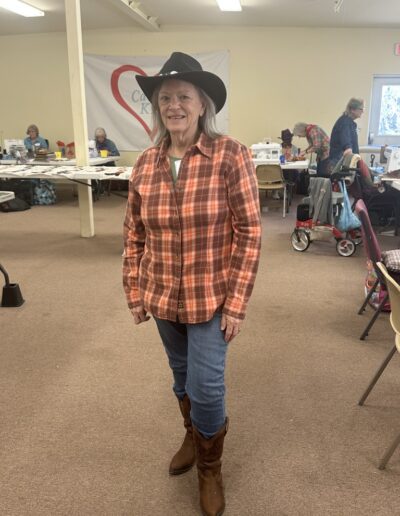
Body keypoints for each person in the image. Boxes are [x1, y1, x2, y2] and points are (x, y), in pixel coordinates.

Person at [122, 51, 261, 516]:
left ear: (203, 104)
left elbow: (249, 232)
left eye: (184, 96)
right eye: (165, 98)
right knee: (181, 376)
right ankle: (192, 436)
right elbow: (133, 233)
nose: (174, 105)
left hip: (211, 297)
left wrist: (236, 303)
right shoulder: (146, 163)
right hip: (162, 293)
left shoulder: (230, 154)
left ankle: (210, 468)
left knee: (207, 387)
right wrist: (134, 291)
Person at [329, 98, 365, 167]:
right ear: (352, 110)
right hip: (338, 160)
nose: (363, 111)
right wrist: (348, 147)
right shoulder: (345, 122)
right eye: (361, 109)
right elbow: (345, 138)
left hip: (339, 159)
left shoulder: (348, 122)